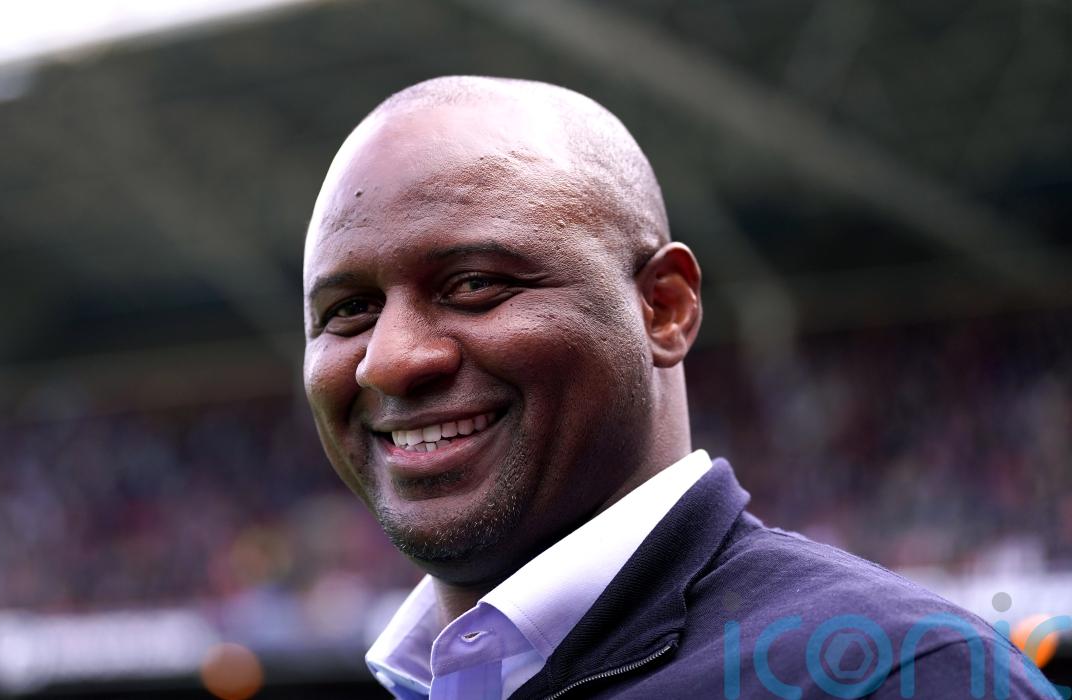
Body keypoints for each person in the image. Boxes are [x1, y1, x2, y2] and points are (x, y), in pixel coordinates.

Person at [300, 76, 1062, 699]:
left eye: (473, 284)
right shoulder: (423, 682)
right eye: (349, 311)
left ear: (664, 308)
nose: (388, 361)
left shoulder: (906, 678)